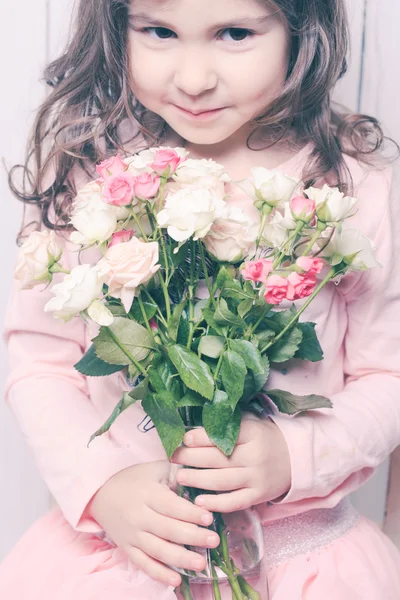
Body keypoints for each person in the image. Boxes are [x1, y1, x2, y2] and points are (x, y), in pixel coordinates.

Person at [1, 0, 400, 598]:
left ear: (301, 30)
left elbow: (388, 371)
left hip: (305, 561)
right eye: (159, 31)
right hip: (126, 559)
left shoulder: (347, 183)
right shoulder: (92, 169)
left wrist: (299, 452)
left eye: (235, 33)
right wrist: (99, 487)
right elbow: (40, 361)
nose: (193, 78)